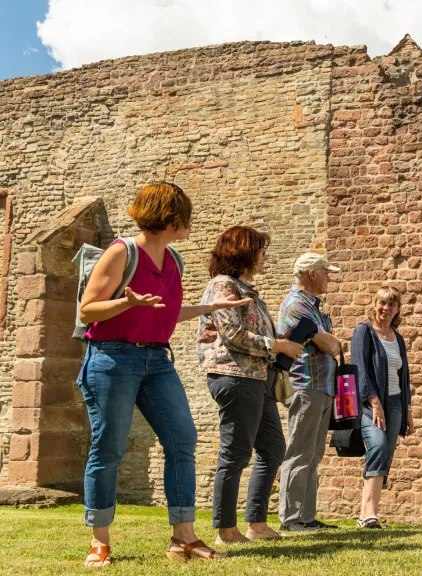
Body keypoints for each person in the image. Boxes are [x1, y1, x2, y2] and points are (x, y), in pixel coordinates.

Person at [76, 182, 245, 566]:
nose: (190, 223)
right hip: (112, 358)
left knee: (182, 438)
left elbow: (165, 312)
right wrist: (126, 303)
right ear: (169, 218)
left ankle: (183, 538)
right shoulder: (122, 252)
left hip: (157, 361)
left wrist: (209, 308)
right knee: (109, 448)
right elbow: (87, 310)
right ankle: (99, 541)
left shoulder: (173, 260)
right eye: (185, 216)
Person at [196, 226, 303, 545]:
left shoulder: (245, 289)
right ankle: (226, 531)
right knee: (236, 453)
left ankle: (256, 522)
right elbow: (233, 335)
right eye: (261, 250)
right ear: (243, 252)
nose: (265, 256)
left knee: (272, 448)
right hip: (235, 377)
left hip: (258, 379)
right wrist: (278, 345)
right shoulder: (223, 286)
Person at [277, 253, 344, 532]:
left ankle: (306, 516)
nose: (329, 277)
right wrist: (332, 342)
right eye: (326, 272)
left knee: (313, 454)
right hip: (306, 387)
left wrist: (331, 342)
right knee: (300, 453)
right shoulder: (296, 305)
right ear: (313, 273)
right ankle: (292, 519)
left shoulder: (312, 306)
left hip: (321, 387)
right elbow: (330, 345)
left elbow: (330, 343)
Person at [351, 287, 413, 529]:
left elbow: (404, 376)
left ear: (397, 309)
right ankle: (367, 512)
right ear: (374, 304)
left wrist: (408, 410)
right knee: (376, 446)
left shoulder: (398, 338)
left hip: (396, 403)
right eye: (382, 303)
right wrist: (374, 402)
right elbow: (359, 369)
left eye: (391, 304)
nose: (386, 308)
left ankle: (370, 514)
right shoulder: (364, 331)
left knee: (385, 455)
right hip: (371, 404)